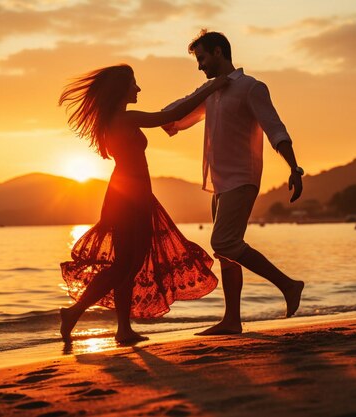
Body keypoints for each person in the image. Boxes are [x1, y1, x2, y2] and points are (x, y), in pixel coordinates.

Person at [58, 64, 228, 344]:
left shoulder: (117, 119)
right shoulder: (124, 119)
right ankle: (75, 312)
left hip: (133, 195)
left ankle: (122, 329)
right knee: (124, 265)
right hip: (129, 197)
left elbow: (169, 117)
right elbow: (170, 115)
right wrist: (212, 87)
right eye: (134, 84)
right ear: (120, 90)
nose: (138, 89)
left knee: (129, 265)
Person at [162, 30, 305, 335]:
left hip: (242, 177)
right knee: (226, 251)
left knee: (224, 242)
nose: (200, 66)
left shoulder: (251, 87)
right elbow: (176, 114)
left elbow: (275, 129)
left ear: (217, 52)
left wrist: (294, 167)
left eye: (201, 58)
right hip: (219, 182)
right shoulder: (211, 91)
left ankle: (289, 285)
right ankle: (232, 320)